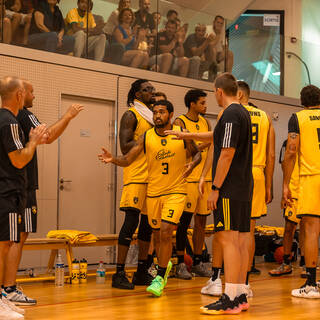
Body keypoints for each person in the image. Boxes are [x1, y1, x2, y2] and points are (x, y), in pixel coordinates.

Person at [166, 73, 253, 314]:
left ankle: (231, 297)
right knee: (239, 239)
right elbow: (216, 137)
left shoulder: (231, 113)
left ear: (218, 91)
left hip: (229, 187)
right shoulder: (243, 112)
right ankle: (240, 295)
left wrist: (215, 188)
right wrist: (186, 135)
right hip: (244, 187)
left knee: (227, 239)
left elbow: (225, 152)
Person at [99, 100, 201, 297]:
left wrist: (193, 165)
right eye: (155, 112)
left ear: (170, 115)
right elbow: (128, 158)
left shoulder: (180, 133)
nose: (157, 116)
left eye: (161, 112)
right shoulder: (147, 136)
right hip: (154, 193)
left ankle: (160, 277)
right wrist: (113, 159)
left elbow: (197, 154)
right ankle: (164, 264)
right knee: (157, 235)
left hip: (176, 191)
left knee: (165, 231)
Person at [1, 80, 83, 306]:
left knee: (12, 237)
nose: (34, 95)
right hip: (18, 187)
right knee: (17, 235)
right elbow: (48, 137)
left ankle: (6, 288)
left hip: (14, 187)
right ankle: (7, 287)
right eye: (31, 91)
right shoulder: (21, 116)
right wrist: (67, 116)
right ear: (20, 94)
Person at [0, 76, 47, 319]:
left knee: (7, 243)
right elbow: (19, 159)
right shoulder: (8, 121)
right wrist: (33, 142)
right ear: (19, 95)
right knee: (4, 245)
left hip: (8, 192)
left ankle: (2, 298)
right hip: (7, 191)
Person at [109, 79, 155, 290]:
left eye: (152, 89)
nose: (152, 92)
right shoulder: (131, 115)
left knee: (147, 227)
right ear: (137, 95)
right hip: (136, 176)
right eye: (147, 90)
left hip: (153, 178)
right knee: (130, 223)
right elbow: (125, 147)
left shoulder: (154, 116)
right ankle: (118, 273)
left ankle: (142, 271)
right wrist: (145, 138)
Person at [282, 85, 320, 298]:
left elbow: (291, 151)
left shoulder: (298, 118)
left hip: (311, 178)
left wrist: (285, 183)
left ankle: (312, 284)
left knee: (311, 230)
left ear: (301, 100)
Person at [174, 89, 212, 279]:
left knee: (201, 223)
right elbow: (184, 152)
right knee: (183, 223)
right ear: (192, 104)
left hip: (205, 178)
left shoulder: (206, 122)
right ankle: (180, 263)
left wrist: (200, 143)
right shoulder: (180, 122)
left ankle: (198, 261)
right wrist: (205, 143)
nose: (205, 106)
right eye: (202, 103)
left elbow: (211, 145)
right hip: (188, 178)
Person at [269, 140, 305, 277]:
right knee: (289, 227)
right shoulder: (286, 143)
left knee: (306, 230)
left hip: (308, 188)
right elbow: (284, 165)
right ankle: (286, 263)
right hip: (293, 191)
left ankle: (305, 265)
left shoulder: (311, 140)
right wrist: (286, 188)